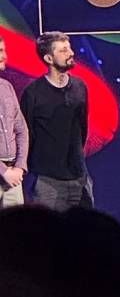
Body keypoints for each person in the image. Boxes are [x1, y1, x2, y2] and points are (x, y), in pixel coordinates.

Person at [20, 32, 89, 211]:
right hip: (47, 180)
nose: (71, 53)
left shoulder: (80, 87)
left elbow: (83, 127)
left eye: (70, 48)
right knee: (48, 227)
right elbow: (27, 134)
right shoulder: (33, 93)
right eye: (63, 50)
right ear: (49, 58)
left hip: (79, 176)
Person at [0, 35, 29, 208]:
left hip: (14, 177)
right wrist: (4, 171)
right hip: (6, 173)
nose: (4, 56)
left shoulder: (6, 87)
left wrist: (19, 167)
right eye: (0, 51)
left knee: (16, 223)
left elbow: (21, 129)